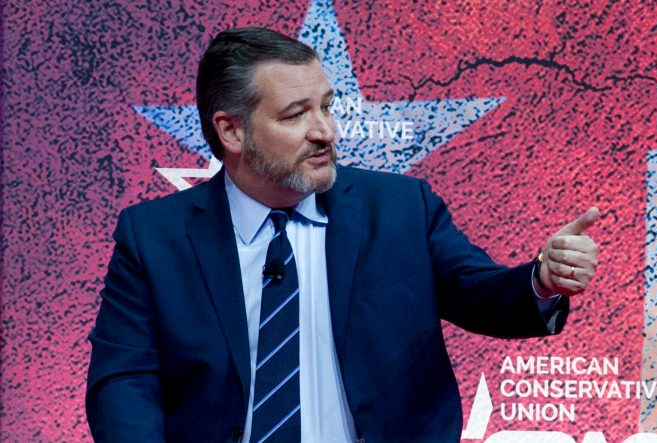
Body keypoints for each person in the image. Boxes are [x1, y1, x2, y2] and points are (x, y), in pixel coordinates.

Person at [86, 27, 599, 443]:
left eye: (326, 106)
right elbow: (124, 380)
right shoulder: (154, 237)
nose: (325, 131)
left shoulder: (400, 210)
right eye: (296, 114)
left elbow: (482, 295)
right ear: (232, 131)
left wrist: (541, 280)